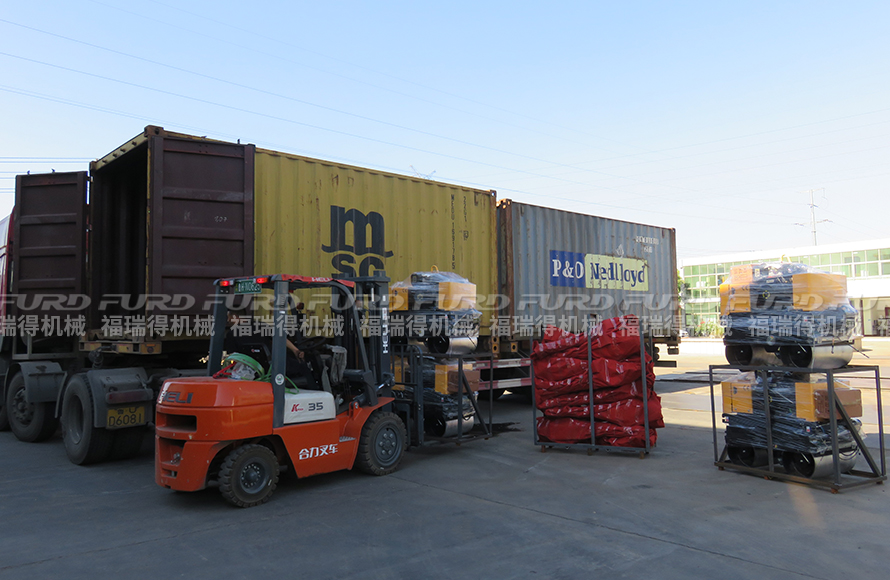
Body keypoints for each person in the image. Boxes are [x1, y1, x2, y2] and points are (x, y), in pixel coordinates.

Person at [224, 308, 318, 388]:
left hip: (253, 370)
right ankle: (313, 390)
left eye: (229, 317)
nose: (228, 320)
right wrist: (295, 350)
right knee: (304, 367)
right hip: (273, 366)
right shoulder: (261, 326)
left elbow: (234, 356)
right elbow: (280, 338)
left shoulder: (231, 334)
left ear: (235, 317)